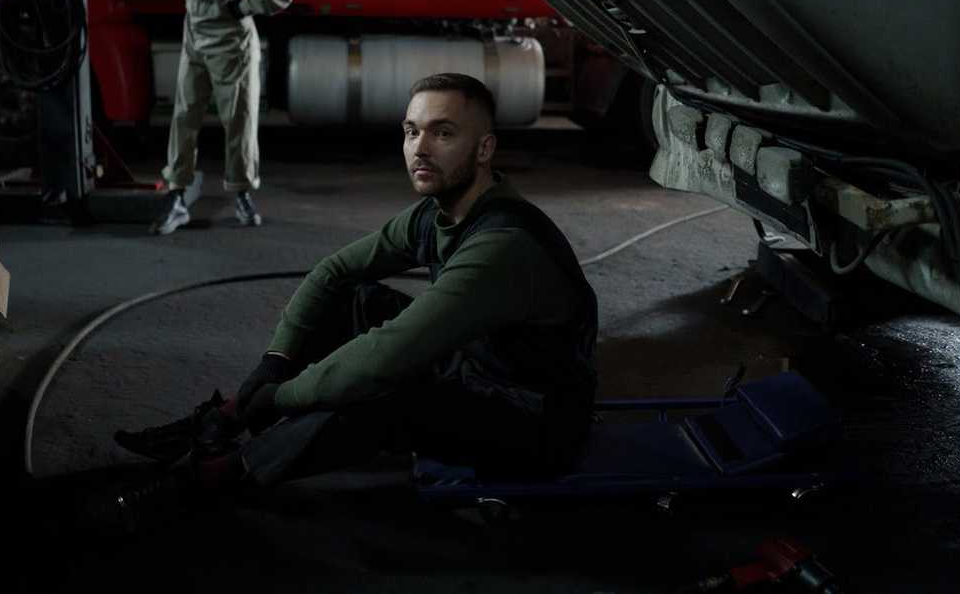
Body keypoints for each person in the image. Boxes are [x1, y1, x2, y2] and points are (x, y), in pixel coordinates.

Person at [109, 73, 598, 527]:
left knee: (379, 386)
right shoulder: (436, 214)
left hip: (532, 419)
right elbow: (334, 272)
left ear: (485, 148)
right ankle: (225, 419)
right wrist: (272, 367)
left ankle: (218, 473)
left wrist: (280, 397)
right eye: (411, 131)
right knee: (353, 299)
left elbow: (383, 359)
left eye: (443, 134)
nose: (420, 149)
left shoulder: (503, 245)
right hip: (476, 367)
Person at [78, 0, 294, 234]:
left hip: (231, 45)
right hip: (195, 40)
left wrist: (246, 6)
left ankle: (241, 192)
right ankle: (176, 196)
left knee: (237, 123)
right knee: (183, 118)